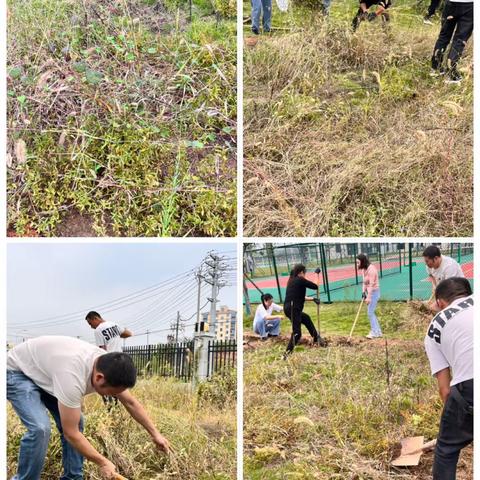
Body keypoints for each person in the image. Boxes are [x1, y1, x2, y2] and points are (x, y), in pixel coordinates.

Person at [7, 336, 170, 480]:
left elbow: (131, 403)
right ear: (99, 378)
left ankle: (72, 478)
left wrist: (155, 434)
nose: (114, 397)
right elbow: (71, 434)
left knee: (76, 423)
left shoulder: (108, 367)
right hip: (17, 371)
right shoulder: (72, 377)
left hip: (46, 372)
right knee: (40, 428)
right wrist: (103, 462)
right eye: (112, 393)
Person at [424, 277, 473, 480]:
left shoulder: (434, 328)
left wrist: (455, 423)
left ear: (440, 303)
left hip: (470, 386)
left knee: (446, 450)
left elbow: (445, 390)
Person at [283, 264, 323, 357]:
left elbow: (299, 296)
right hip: (293, 308)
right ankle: (286, 354)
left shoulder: (292, 281)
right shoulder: (300, 279)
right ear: (301, 272)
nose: (305, 275)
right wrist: (317, 274)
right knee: (297, 333)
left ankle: (317, 339)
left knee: (306, 318)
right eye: (305, 273)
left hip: (290, 308)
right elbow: (315, 286)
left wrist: (313, 299)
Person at [430, 0, 473, 83]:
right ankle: (451, 73)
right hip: (469, 5)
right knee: (460, 39)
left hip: (450, 3)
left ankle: (435, 67)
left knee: (444, 36)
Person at [423, 246, 464, 310]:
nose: (426, 263)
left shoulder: (449, 265)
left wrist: (438, 302)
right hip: (444, 289)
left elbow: (449, 288)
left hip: (458, 292)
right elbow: (431, 275)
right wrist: (434, 286)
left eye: (427, 261)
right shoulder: (429, 266)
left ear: (436, 258)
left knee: (437, 308)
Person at [357, 253, 382, 339]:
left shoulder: (372, 270)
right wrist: (363, 292)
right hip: (369, 292)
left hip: (374, 293)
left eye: (358, 262)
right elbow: (364, 282)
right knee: (371, 313)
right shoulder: (364, 269)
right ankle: (377, 332)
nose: (357, 264)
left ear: (362, 262)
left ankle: (375, 332)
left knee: (370, 313)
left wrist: (369, 297)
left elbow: (371, 284)